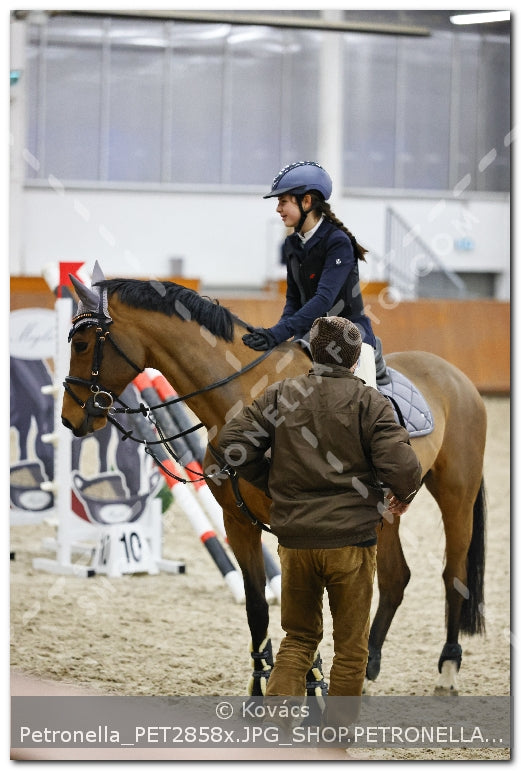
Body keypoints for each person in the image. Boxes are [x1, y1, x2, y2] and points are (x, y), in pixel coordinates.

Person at [216, 315, 422, 733]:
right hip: (353, 543)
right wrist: (395, 496)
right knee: (350, 650)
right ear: (353, 360)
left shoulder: (280, 396)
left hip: (296, 542)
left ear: (311, 352)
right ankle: (335, 743)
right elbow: (406, 470)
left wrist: (271, 482)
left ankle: (277, 731)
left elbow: (231, 445)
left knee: (297, 639)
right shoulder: (371, 402)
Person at [242, 160, 385, 388]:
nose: (278, 209)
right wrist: (277, 334)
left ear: (306, 201)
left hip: (348, 335)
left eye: (283, 202)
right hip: (307, 336)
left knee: (360, 402)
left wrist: (278, 333)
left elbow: (323, 300)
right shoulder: (292, 245)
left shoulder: (338, 242)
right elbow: (293, 301)